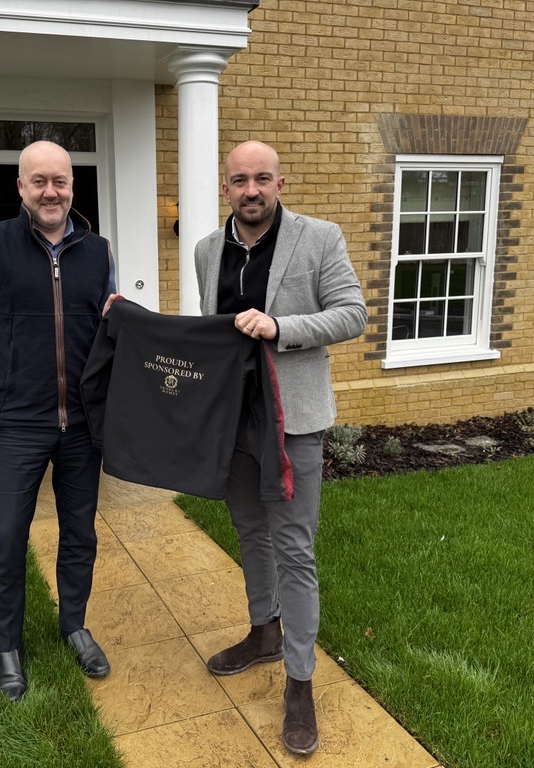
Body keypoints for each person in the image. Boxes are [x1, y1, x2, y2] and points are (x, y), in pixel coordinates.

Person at [194, 140, 367, 754]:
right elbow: (211, 332)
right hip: (234, 423)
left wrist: (279, 327)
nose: (252, 190)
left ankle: (300, 681)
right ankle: (263, 632)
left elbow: (352, 314)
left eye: (262, 178)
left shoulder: (319, 238)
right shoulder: (207, 250)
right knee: (249, 531)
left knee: (294, 548)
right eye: (240, 180)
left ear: (280, 184)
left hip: (292, 423)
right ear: (226, 188)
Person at [0, 140, 116, 703]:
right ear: (20, 187)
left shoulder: (99, 251)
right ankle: (8, 647)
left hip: (83, 425)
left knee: (80, 532)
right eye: (38, 181)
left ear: (72, 186)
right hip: (19, 422)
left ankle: (74, 625)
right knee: (7, 538)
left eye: (59, 181)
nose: (50, 191)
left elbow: (111, 334)